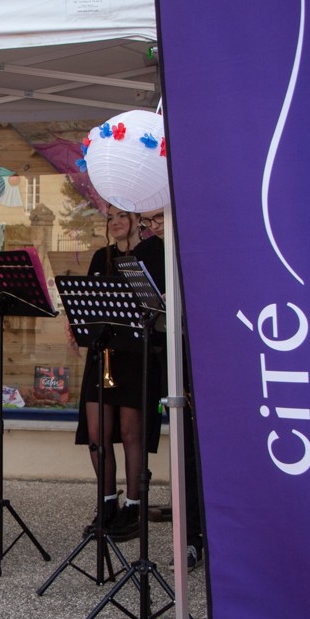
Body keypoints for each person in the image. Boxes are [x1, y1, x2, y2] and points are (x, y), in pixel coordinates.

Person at [73, 205, 161, 542]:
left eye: (122, 216)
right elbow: (88, 303)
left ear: (137, 220)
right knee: (97, 433)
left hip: (137, 354)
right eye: (110, 219)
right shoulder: (102, 257)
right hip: (104, 352)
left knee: (131, 432)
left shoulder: (154, 252)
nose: (115, 224)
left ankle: (134, 507)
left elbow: (158, 305)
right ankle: (107, 503)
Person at [138, 208, 206, 570]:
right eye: (149, 222)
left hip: (210, 358)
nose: (154, 227)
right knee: (185, 452)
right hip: (176, 356)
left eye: (158, 218)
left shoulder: (199, 246)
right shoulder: (151, 253)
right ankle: (191, 538)